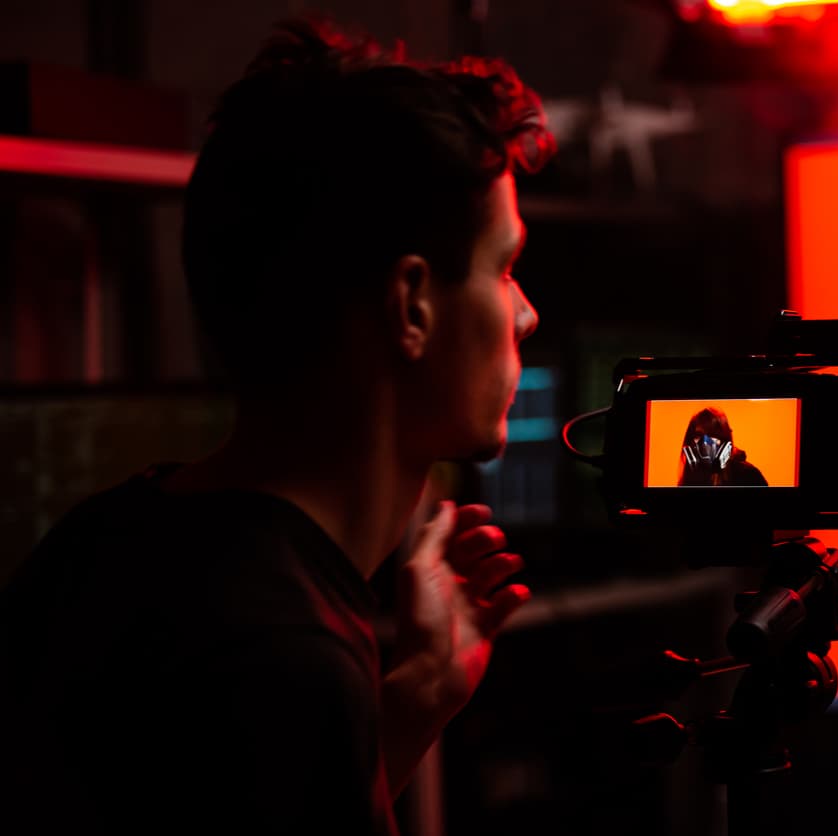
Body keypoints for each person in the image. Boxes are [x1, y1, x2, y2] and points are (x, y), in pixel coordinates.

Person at [0, 15, 554, 836]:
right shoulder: (284, 659)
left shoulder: (98, 544)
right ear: (411, 305)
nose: (527, 313)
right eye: (503, 268)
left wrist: (414, 701)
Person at [678, 406, 768, 486]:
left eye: (712, 434)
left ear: (725, 439)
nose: (705, 442)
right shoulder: (692, 478)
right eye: (699, 435)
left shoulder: (748, 476)